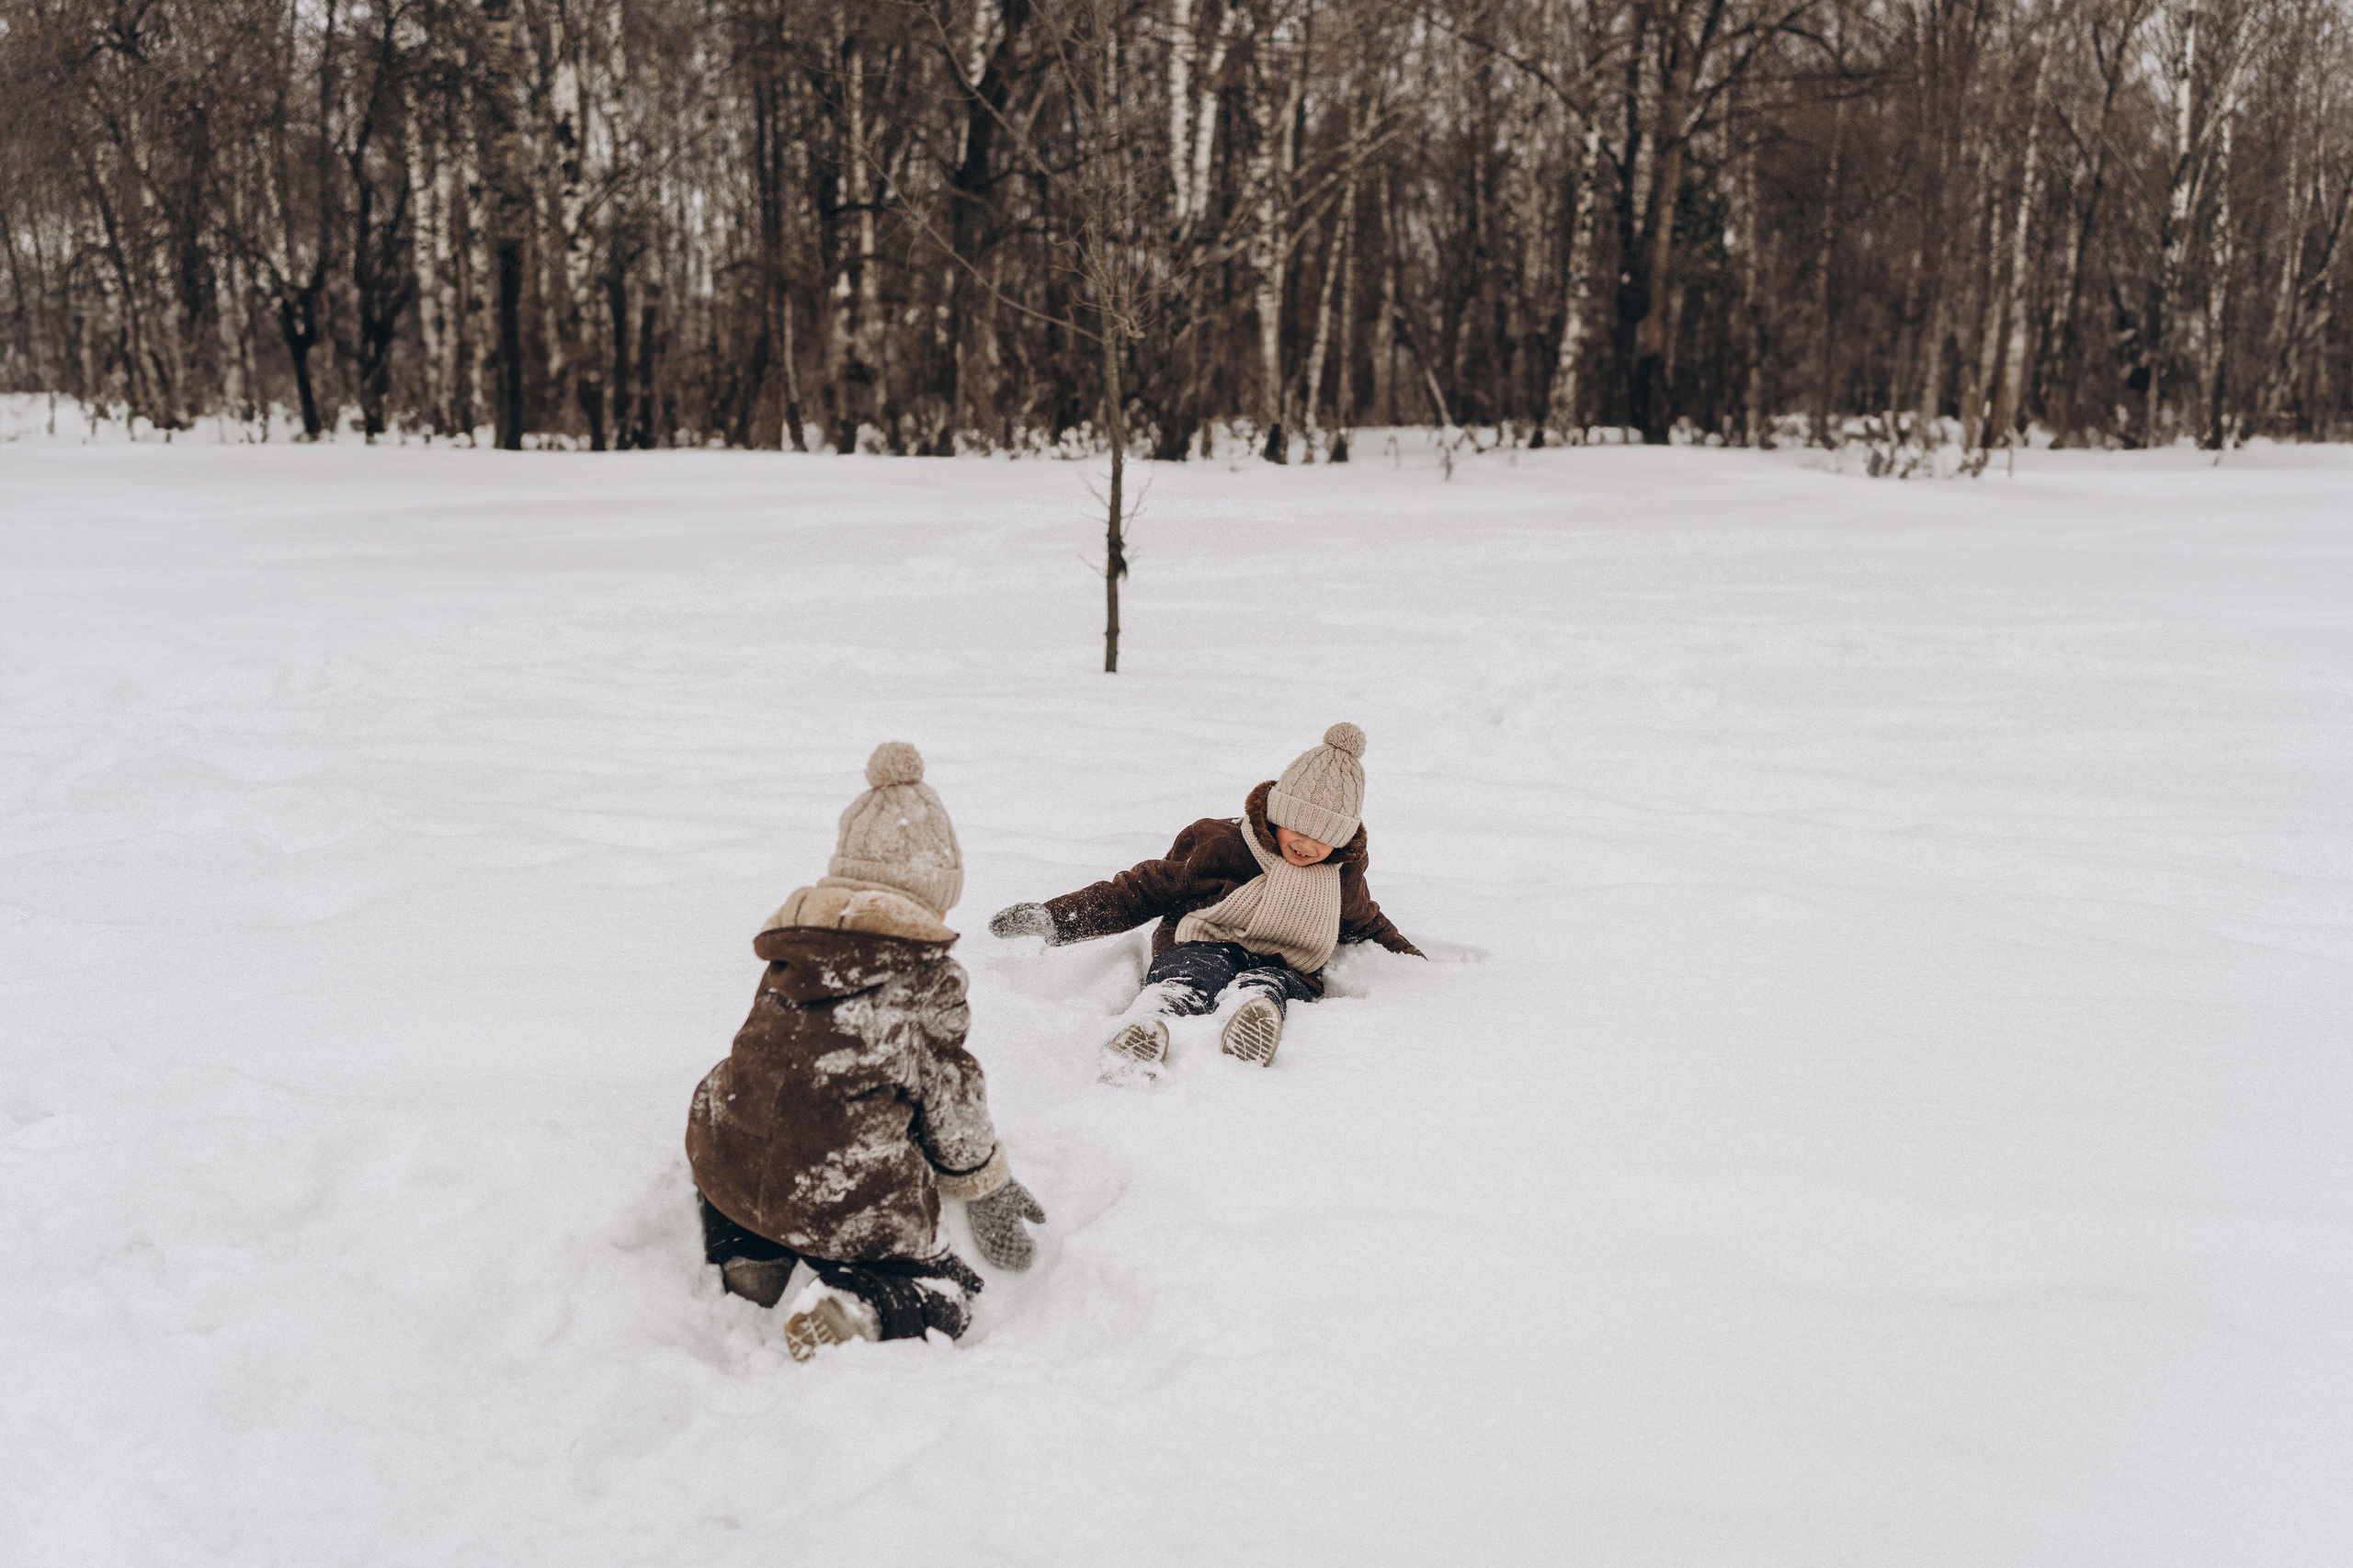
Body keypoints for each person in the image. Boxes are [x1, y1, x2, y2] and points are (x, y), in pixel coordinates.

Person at [685, 742, 1046, 1360]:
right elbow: (950, 1096)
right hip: (842, 1191)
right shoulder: (926, 977)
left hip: (727, 1160)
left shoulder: (793, 949)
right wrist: (984, 1184)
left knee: (764, 1123)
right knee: (950, 1293)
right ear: (930, 900)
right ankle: (862, 1303)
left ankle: (752, 1255)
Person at [989, 723, 1423, 1075]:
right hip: (1203, 941)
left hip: (1286, 963)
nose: (1309, 846)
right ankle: (1148, 1022)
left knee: (1273, 985)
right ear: (1277, 814)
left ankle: (1252, 1022)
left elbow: (1367, 923)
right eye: (1299, 828)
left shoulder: (1341, 876)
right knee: (1190, 974)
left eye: (1325, 838)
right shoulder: (1222, 845)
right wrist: (1056, 918)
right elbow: (1140, 890)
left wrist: (1414, 965)